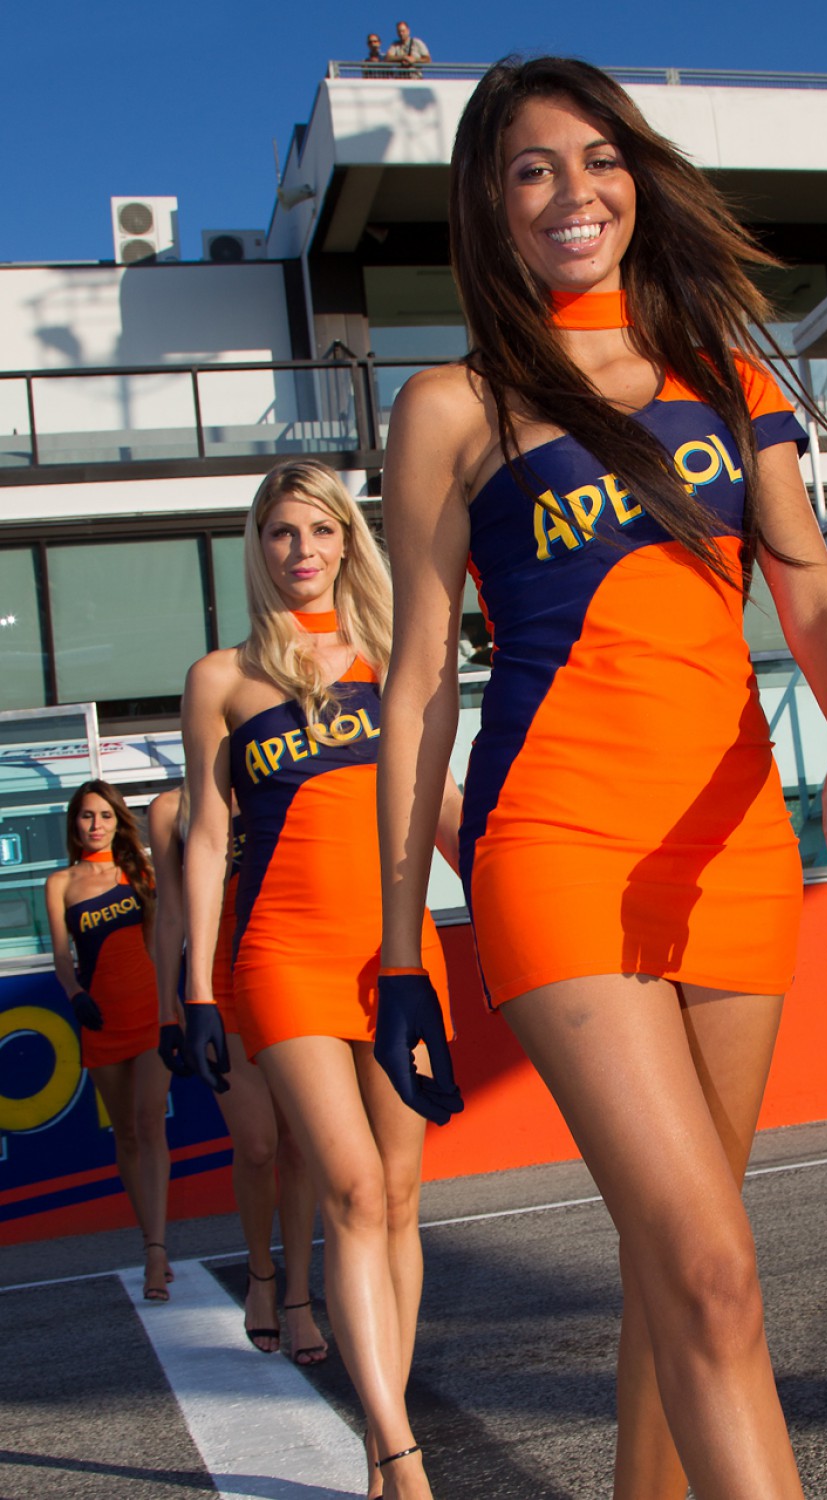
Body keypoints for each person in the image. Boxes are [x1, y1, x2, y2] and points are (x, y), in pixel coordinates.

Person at [374, 56, 827, 1500]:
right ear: (490, 207)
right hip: (553, 840)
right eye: (531, 168)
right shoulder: (452, 405)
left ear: (636, 175)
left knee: (678, 1269)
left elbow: (811, 592)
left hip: (730, 841)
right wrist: (398, 946)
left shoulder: (728, 377)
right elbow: (417, 680)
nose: (572, 191)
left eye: (597, 158)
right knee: (712, 1270)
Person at [180, 459, 461, 1500]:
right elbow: (209, 841)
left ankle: (388, 1430)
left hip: (396, 952)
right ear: (257, 551)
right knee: (347, 1186)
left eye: (318, 531)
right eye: (278, 534)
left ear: (349, 541)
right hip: (283, 957)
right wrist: (196, 990)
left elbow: (443, 809)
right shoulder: (223, 679)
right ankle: (395, 1444)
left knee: (397, 1193)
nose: (300, 552)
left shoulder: (398, 659)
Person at [148, 784, 326, 1364]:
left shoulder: (274, 768)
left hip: (288, 966)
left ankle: (297, 1297)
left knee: (298, 1145)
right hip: (219, 984)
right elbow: (171, 910)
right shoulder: (171, 810)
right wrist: (167, 1006)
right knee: (256, 1145)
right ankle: (260, 1276)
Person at [45, 779, 173, 1303]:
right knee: (126, 1136)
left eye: (104, 815)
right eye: (86, 816)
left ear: (118, 822)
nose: (95, 824)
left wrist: (175, 1006)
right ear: (74, 823)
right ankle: (149, 1237)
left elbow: (159, 941)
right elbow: (60, 954)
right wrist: (74, 993)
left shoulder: (138, 873)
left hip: (148, 1012)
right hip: (98, 1018)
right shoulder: (60, 883)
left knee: (149, 1123)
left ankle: (156, 1252)